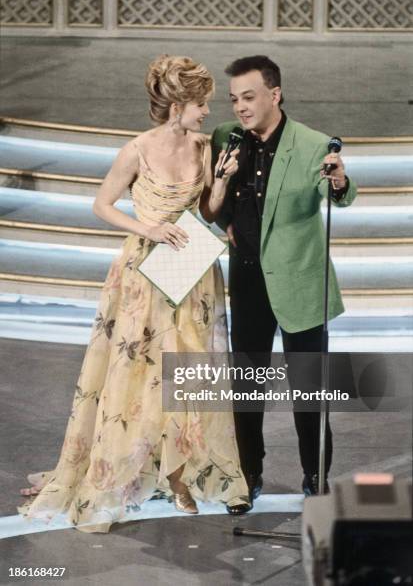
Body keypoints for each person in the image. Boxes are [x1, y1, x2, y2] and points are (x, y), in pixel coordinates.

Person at [19, 55, 251, 532]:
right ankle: (124, 468)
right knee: (137, 371)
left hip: (191, 271)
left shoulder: (205, 148)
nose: (207, 112)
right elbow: (102, 205)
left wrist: (223, 181)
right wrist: (150, 227)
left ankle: (181, 475)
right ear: (177, 106)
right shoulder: (136, 150)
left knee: (187, 372)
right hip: (143, 270)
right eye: (200, 104)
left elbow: (206, 211)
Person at [211, 55, 357, 508]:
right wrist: (226, 223)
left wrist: (338, 180)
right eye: (234, 99)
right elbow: (213, 202)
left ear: (275, 94)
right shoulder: (225, 138)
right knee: (246, 386)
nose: (240, 107)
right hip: (249, 279)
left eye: (249, 97)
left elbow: (338, 193)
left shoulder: (313, 145)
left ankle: (315, 479)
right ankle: (248, 475)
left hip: (299, 280)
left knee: (309, 389)